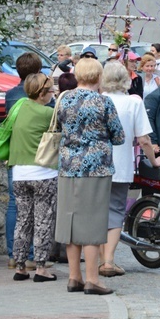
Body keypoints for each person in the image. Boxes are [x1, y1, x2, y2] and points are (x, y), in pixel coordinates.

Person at [55, 58, 125, 295]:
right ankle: (93, 279)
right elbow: (118, 136)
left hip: (67, 167)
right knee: (93, 224)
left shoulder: (63, 100)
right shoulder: (103, 102)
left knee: (70, 221)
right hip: (95, 168)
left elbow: (57, 129)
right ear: (98, 77)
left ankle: (74, 277)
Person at [99, 61, 160, 278]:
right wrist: (154, 161)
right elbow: (144, 139)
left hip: (96, 165)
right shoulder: (133, 102)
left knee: (99, 212)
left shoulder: (98, 100)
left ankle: (101, 259)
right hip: (121, 165)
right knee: (116, 212)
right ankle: (108, 260)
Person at [9, 73, 57, 282]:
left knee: (23, 220)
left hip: (19, 172)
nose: (53, 94)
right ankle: (40, 267)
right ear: (42, 93)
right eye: (51, 90)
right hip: (43, 173)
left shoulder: (18, 107)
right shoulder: (48, 113)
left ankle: (19, 266)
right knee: (43, 220)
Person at [5, 52, 44, 269]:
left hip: (14, 153)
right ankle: (29, 255)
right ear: (38, 71)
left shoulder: (10, 95)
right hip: (36, 156)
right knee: (34, 207)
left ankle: (13, 254)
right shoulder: (40, 96)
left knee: (14, 204)